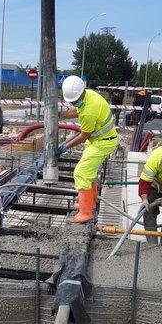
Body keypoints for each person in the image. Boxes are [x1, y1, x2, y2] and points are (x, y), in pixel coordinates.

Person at [56, 76, 118, 224]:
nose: (74, 103)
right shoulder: (89, 95)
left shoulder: (88, 112)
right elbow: (78, 110)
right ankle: (89, 203)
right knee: (89, 172)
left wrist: (65, 147)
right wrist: (59, 115)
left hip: (102, 143)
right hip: (101, 139)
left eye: (74, 101)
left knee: (81, 173)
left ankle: (85, 213)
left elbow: (84, 135)